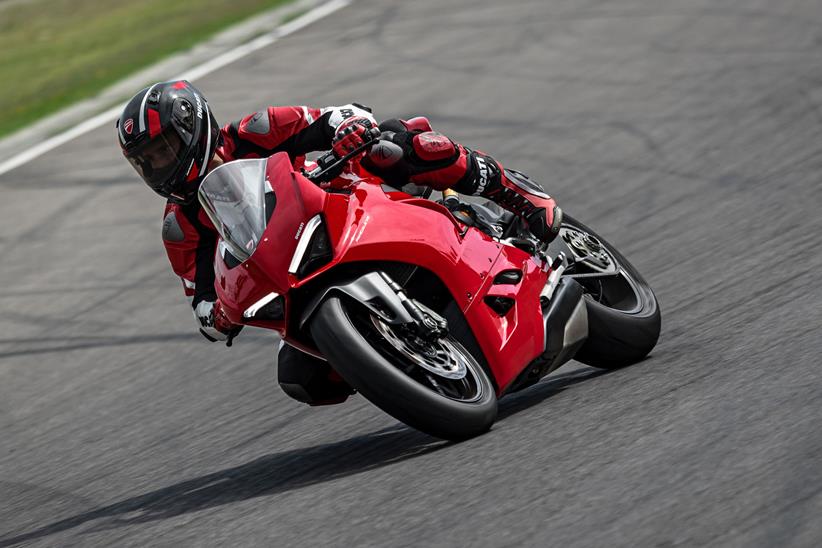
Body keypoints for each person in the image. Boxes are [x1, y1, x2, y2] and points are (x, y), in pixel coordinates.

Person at [116, 80, 561, 405]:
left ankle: (513, 192)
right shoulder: (180, 225)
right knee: (302, 378)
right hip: (295, 273)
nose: (158, 166)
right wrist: (218, 317)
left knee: (396, 147)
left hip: (343, 200)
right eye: (146, 162)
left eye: (163, 149)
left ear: (191, 127)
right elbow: (200, 300)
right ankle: (402, 360)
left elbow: (336, 114)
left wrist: (349, 127)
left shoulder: (255, 131)